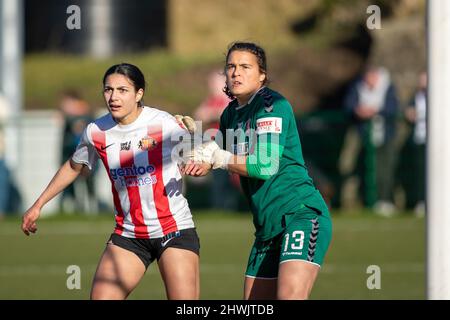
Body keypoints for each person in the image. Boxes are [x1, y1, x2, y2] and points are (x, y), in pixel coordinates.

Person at [21, 63, 200, 300]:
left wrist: (199, 158)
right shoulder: (96, 131)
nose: (114, 97)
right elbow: (74, 166)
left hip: (174, 229)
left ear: (139, 94)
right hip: (129, 234)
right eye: (108, 90)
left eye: (122, 90)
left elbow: (198, 152)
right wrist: (38, 204)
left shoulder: (164, 123)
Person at [183, 42, 332, 300]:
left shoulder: (271, 105)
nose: (236, 73)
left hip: (301, 215)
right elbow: (215, 155)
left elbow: (264, 165)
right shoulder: (231, 113)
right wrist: (193, 146)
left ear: (262, 74)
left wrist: (217, 157)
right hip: (266, 230)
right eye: (230, 66)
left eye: (245, 67)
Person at [344, 66, 399, 216]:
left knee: (385, 169)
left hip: (385, 136)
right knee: (364, 169)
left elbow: (392, 108)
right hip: (364, 136)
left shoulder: (388, 87)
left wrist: (375, 111)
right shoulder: (358, 86)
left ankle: (386, 200)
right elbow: (349, 105)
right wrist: (358, 110)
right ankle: (369, 201)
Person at [58, 89, 98, 213]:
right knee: (69, 182)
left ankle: (91, 207)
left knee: (89, 180)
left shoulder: (85, 115)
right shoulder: (68, 117)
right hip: (69, 153)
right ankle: (74, 206)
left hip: (85, 153)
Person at [397, 71, 427, 216]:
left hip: (437, 144)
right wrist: (409, 113)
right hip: (420, 139)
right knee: (420, 173)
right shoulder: (415, 97)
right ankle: (421, 201)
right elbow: (407, 111)